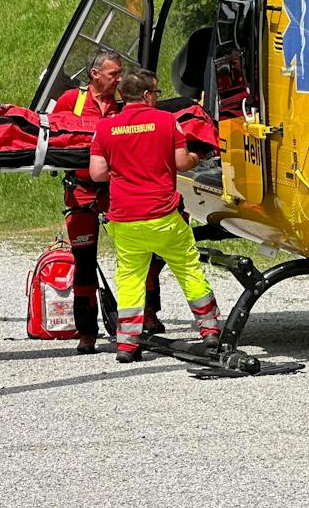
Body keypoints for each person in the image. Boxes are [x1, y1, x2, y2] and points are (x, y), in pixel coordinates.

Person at [87, 68, 221, 362]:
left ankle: (127, 344)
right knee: (188, 269)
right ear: (148, 95)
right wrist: (199, 156)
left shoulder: (106, 128)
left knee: (130, 278)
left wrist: (125, 169)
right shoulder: (167, 120)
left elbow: (97, 173)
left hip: (126, 220)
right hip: (164, 216)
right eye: (156, 93)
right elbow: (182, 163)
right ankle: (210, 331)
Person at [49, 48, 124, 353]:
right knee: (83, 264)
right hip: (81, 192)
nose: (118, 79)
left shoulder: (124, 105)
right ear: (95, 74)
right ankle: (87, 333)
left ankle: (146, 317)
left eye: (120, 74)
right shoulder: (71, 101)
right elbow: (51, 136)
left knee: (136, 256)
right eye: (113, 74)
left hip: (117, 192)